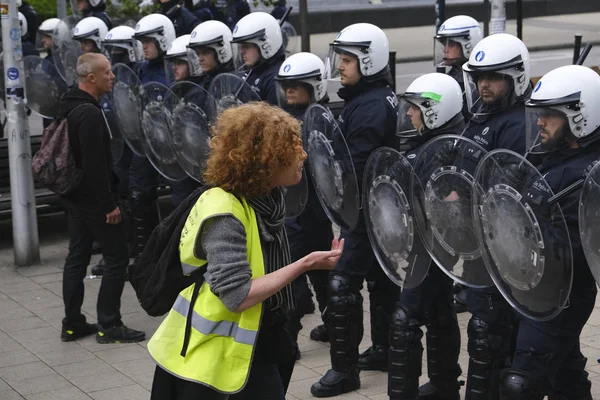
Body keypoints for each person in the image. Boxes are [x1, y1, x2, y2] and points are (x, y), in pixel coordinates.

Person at [148, 102, 345, 399]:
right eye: (292, 148)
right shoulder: (225, 213)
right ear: (266, 160)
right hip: (212, 352)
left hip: (263, 337)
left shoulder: (267, 199)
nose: (303, 155)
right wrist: (305, 264)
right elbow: (236, 296)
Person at [499, 65, 600, 400]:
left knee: (521, 384)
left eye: (550, 115)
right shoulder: (554, 157)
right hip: (533, 285)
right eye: (538, 114)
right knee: (564, 373)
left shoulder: (589, 177)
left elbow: (568, 245)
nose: (539, 122)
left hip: (562, 291)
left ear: (580, 117)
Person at [310, 23, 399, 397]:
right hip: (378, 211)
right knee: (380, 282)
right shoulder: (373, 98)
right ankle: (382, 349)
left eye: (347, 60)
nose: (340, 66)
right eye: (340, 58)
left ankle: (344, 372)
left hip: (363, 213)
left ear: (369, 60)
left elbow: (355, 168)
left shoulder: (369, 107)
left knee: (342, 284)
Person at [458, 33, 532, 399]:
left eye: (493, 77)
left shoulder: (516, 124)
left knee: (495, 337)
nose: (483, 84)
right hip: (478, 246)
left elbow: (504, 190)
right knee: (487, 335)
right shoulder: (482, 116)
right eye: (479, 77)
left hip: (502, 248)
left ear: (515, 77)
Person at [387, 73, 466, 400]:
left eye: (416, 109)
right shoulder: (442, 143)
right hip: (433, 247)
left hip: (431, 245)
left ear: (435, 111)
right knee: (438, 309)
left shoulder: (437, 151)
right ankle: (444, 383)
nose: (409, 114)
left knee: (405, 322)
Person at [58, 53, 145, 344]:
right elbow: (96, 167)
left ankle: (72, 324)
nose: (113, 76)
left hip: (74, 198)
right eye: (107, 72)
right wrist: (109, 205)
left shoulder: (68, 104)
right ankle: (110, 325)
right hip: (95, 201)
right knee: (117, 258)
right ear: (91, 78)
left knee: (76, 258)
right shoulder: (90, 114)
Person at [274, 52, 333, 354]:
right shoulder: (282, 120)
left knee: (323, 277)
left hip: (315, 213)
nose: (290, 90)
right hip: (290, 214)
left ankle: (335, 326)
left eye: (296, 84)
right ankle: (289, 338)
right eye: (286, 85)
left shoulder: (323, 119)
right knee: (292, 277)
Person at [127, 14, 177, 259]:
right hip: (146, 142)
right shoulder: (141, 68)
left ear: (162, 39)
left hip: (172, 146)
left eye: (148, 41)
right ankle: (144, 258)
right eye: (141, 41)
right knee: (138, 196)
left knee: (180, 201)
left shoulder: (175, 65)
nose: (143, 46)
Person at [231, 12, 285, 105]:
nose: (241, 51)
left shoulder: (275, 79)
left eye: (247, 46)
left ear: (265, 46)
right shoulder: (253, 70)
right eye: (241, 46)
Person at [187, 20, 235, 89]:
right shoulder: (204, 82)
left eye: (205, 52)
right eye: (197, 53)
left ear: (222, 50)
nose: (200, 59)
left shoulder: (237, 83)